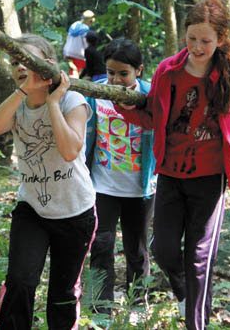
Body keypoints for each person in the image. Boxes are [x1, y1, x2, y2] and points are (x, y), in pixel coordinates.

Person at [116, 0, 230, 330]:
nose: (197, 46)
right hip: (170, 175)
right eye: (191, 38)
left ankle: (196, 324)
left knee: (199, 259)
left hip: (210, 180)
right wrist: (124, 104)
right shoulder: (168, 71)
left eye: (205, 40)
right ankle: (185, 295)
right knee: (162, 250)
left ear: (221, 39)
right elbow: (153, 118)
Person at [0, 34, 97, 329]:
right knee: (20, 281)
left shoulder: (72, 100)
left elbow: (70, 150)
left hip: (76, 212)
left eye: (27, 60)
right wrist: (24, 91)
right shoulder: (17, 104)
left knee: (62, 295)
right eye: (15, 62)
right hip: (32, 209)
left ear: (47, 65)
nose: (21, 66)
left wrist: (53, 101)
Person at [84, 38, 156, 316]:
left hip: (141, 188)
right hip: (102, 185)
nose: (116, 79)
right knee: (101, 244)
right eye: (111, 72)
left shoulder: (149, 95)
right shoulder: (94, 93)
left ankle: (138, 305)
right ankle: (100, 307)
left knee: (137, 250)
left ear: (138, 70)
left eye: (123, 73)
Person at [63, 10, 95, 78]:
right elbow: (86, 43)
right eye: (91, 21)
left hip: (68, 52)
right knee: (79, 73)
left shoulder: (74, 25)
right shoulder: (85, 29)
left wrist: (65, 52)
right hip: (79, 54)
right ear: (89, 20)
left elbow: (68, 39)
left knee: (73, 72)